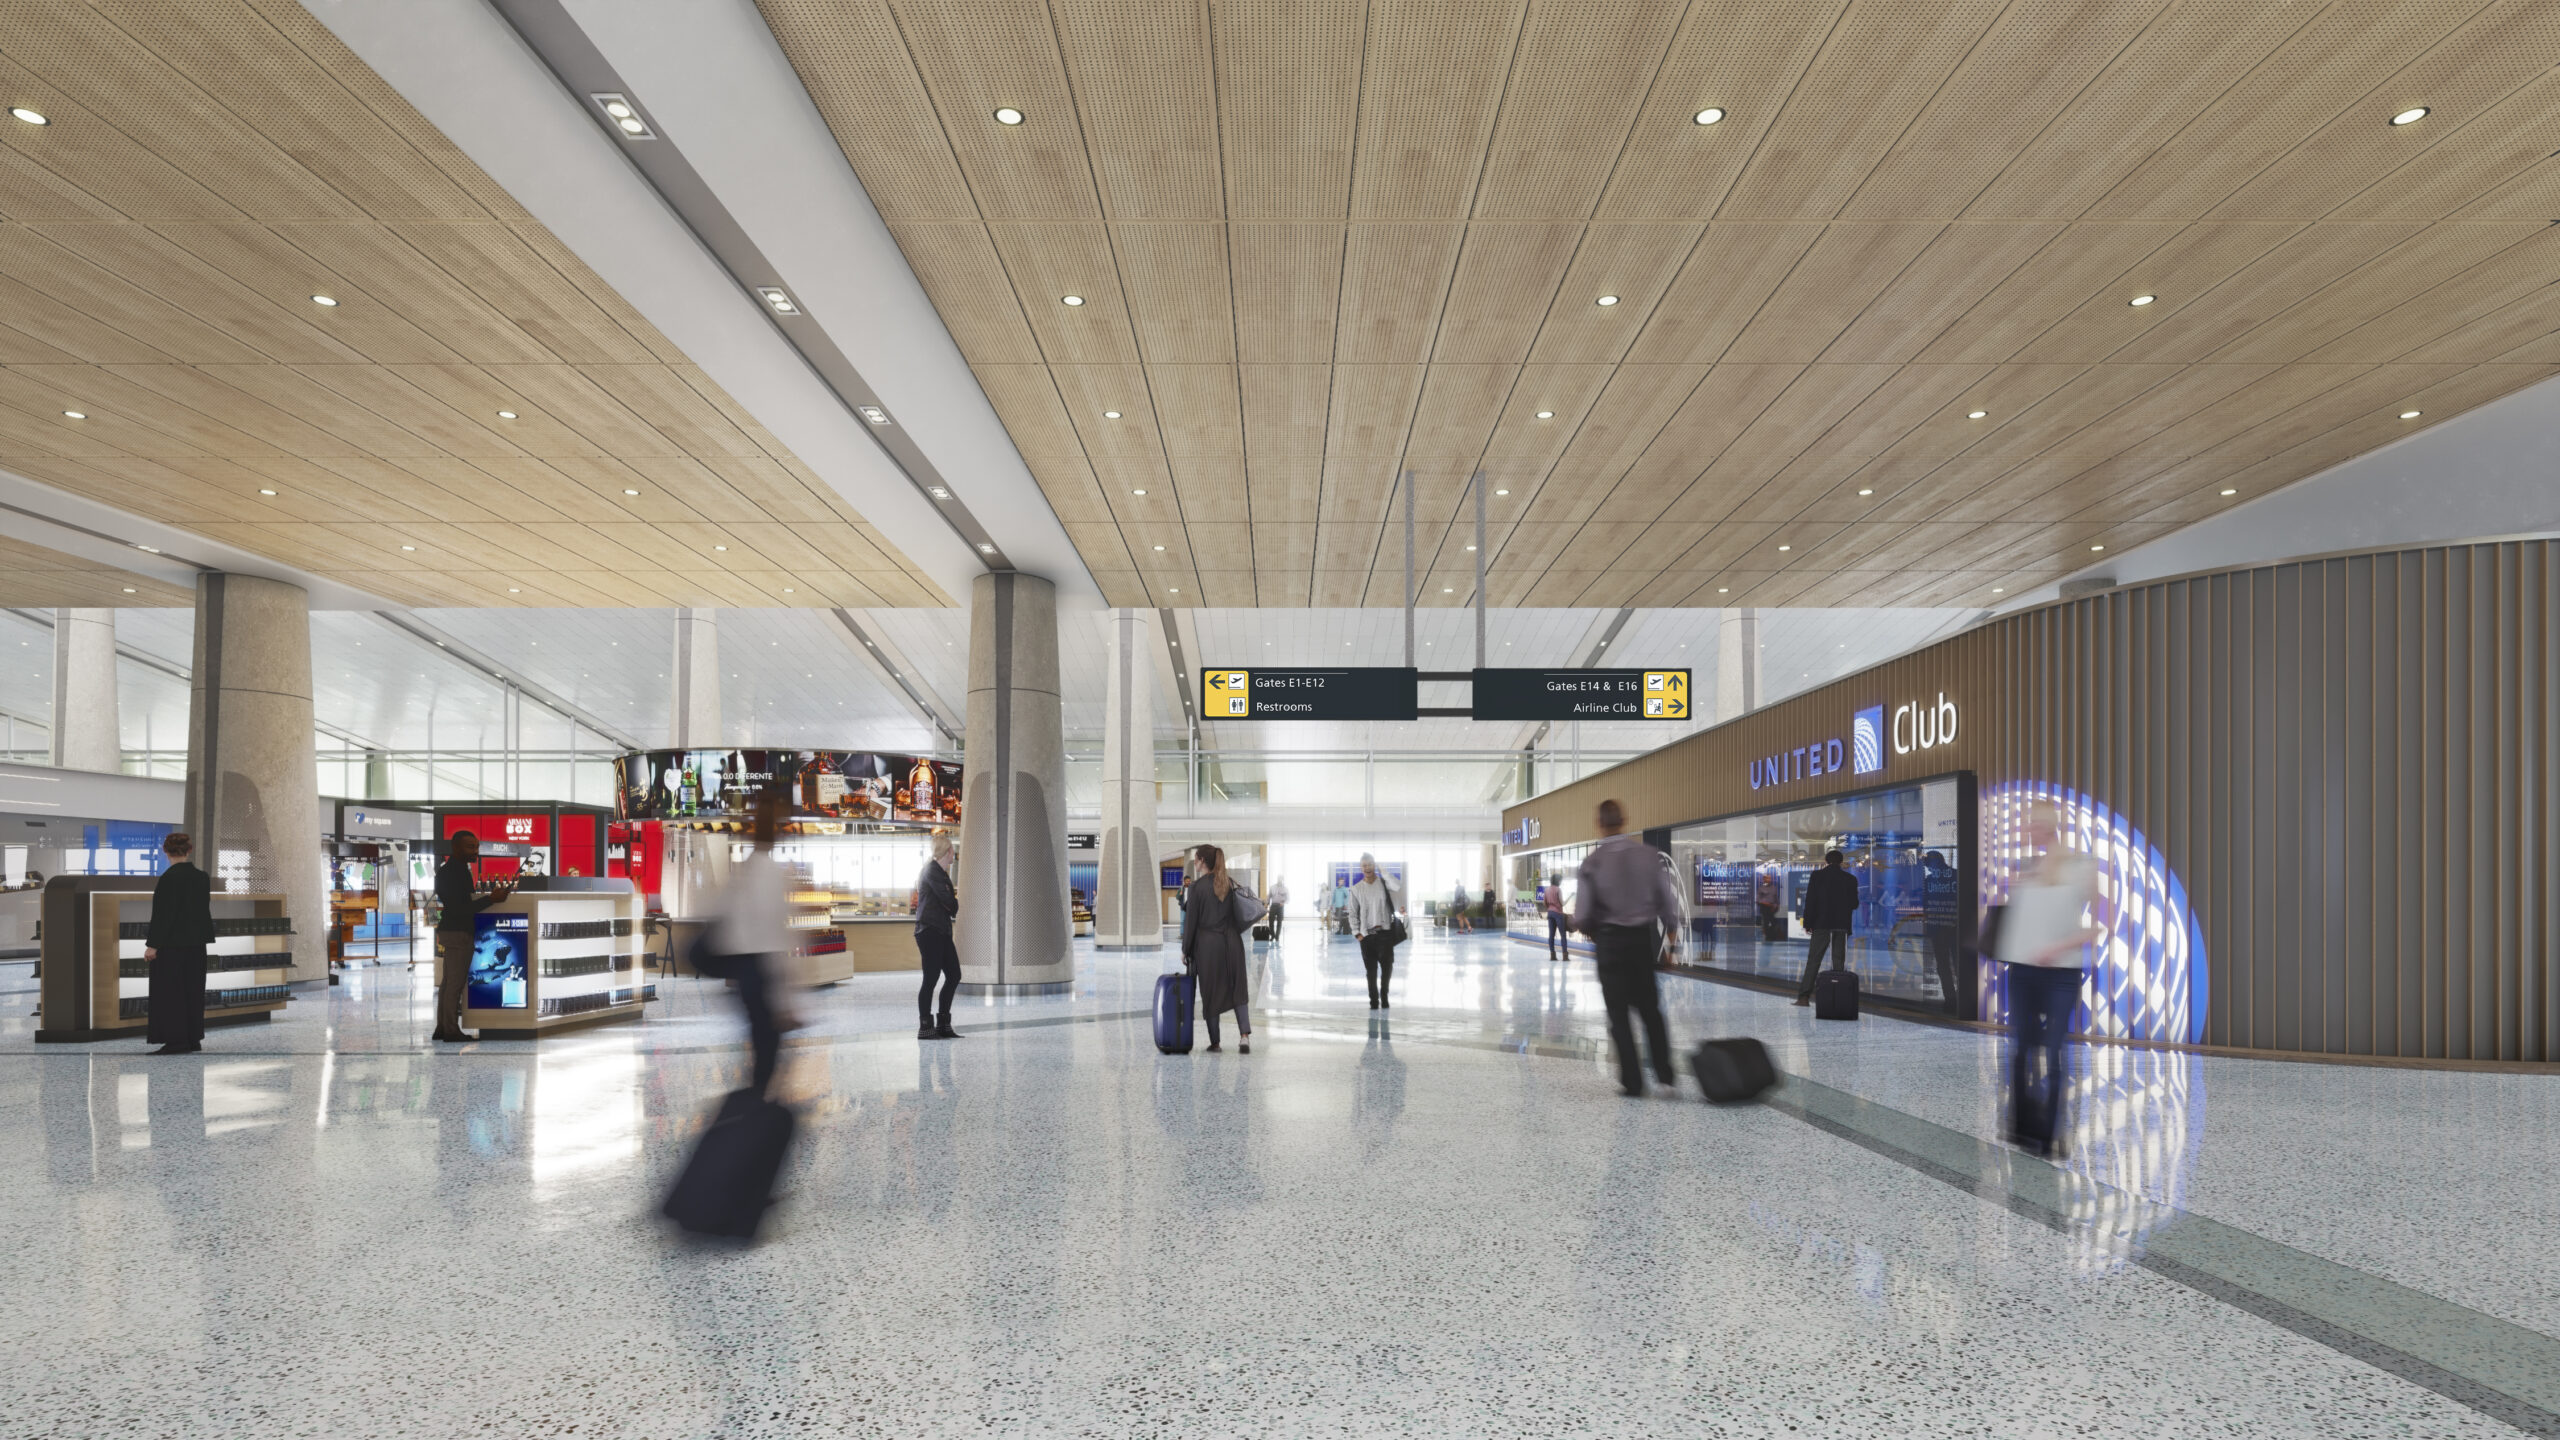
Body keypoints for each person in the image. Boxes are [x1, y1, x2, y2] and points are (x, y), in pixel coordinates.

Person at [2000, 814, 2100, 1157]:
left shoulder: (2079, 865)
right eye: (2027, 824)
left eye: (2034, 823)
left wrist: (2059, 947)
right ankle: (2020, 1126)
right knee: (2021, 1050)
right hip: (2023, 969)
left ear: (2050, 825)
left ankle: (2049, 1134)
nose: (2028, 830)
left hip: (2060, 972)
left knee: (2054, 1052)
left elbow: (2103, 923)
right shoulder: (2025, 868)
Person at [1571, 799, 1684, 1097]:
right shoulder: (1648, 856)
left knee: (1618, 1016)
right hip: (1640, 942)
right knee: (1650, 1011)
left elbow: (1582, 915)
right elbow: (1668, 907)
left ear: (1599, 823)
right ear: (1624, 820)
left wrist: (1583, 925)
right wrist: (1671, 950)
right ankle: (1666, 1079)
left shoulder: (1592, 863)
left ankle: (1633, 1083)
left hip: (1610, 945)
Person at [700, 784, 802, 1097]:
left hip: (746, 973)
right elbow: (774, 937)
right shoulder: (770, 873)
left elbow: (724, 916)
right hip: (760, 973)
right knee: (766, 1056)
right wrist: (786, 1001)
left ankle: (754, 1108)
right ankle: (753, 1119)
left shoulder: (744, 869)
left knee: (761, 1049)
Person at [431, 830, 514, 1043]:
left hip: (451, 930)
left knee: (448, 982)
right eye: (470, 846)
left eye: (476, 846)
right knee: (455, 983)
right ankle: (450, 1030)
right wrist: (491, 899)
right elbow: (461, 908)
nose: (475, 851)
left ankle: (442, 1027)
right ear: (456, 848)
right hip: (458, 931)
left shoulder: (452, 870)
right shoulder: (454, 872)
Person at [1180, 844, 1258, 1053]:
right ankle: (1244, 1037)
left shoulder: (1196, 888)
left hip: (1208, 946)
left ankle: (1215, 1042)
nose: (1194, 863)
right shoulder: (1229, 883)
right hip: (1233, 943)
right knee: (1237, 988)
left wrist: (1185, 949)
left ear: (1203, 861)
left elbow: (1191, 923)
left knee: (1211, 991)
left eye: (1195, 859)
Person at [142, 832, 213, 1055]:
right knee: (193, 991)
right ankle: (193, 1038)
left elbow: (164, 915)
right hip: (197, 945)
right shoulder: (202, 877)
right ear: (189, 850)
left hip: (172, 945)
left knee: (171, 993)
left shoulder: (168, 879)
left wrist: (153, 945)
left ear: (166, 851)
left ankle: (176, 1041)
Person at [1793, 849, 1859, 1006]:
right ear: (1841, 861)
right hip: (1841, 925)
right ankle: (1838, 997)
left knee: (1814, 960)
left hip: (1821, 924)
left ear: (1826, 861)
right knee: (1838, 962)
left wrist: (1807, 923)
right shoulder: (1850, 879)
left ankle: (1804, 997)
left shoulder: (1817, 876)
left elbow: (1810, 901)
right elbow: (1854, 904)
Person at [914, 833, 961, 1040]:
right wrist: (952, 901)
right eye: (952, 849)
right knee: (930, 979)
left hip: (941, 931)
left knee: (954, 975)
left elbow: (951, 905)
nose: (954, 853)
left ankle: (943, 1024)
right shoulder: (932, 872)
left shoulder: (941, 873)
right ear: (946, 851)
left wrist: (952, 902)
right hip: (930, 931)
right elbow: (950, 903)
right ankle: (925, 1027)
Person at [1348, 855, 1402, 1009]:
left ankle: (1384, 995)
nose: (1367, 867)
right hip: (1366, 936)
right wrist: (1357, 933)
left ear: (1374, 865)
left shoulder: (1383, 883)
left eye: (1370, 864)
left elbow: (1397, 886)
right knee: (1371, 972)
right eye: (1364, 865)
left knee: (1387, 968)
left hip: (1385, 934)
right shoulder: (1356, 889)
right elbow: (1352, 912)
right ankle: (1373, 1000)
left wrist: (1383, 871)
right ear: (1361, 868)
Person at [1922, 850, 1963, 1016]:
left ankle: (1950, 999)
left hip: (1938, 927)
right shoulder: (1956, 875)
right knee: (1958, 963)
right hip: (1955, 926)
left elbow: (1926, 904)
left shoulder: (1930, 880)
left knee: (1943, 965)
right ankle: (1962, 996)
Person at [1544, 875, 1570, 961]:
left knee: (1551, 935)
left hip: (1550, 913)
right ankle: (1565, 956)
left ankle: (1552, 955)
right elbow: (1562, 903)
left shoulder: (1547, 890)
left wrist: (1550, 908)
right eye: (1560, 880)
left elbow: (1545, 903)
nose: (1561, 882)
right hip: (1558, 913)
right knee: (1563, 934)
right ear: (1558, 881)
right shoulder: (1558, 889)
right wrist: (1570, 897)